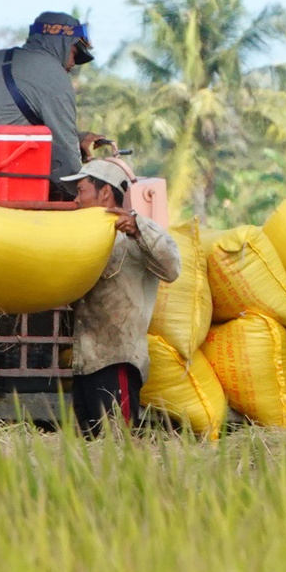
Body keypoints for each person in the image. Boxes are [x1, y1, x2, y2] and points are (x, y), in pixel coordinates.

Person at [62, 157, 181, 435]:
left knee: (118, 446)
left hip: (117, 360)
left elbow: (172, 267)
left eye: (81, 191)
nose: (77, 200)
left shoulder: (136, 233)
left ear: (104, 193)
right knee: (90, 451)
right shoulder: (84, 235)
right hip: (85, 363)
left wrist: (138, 228)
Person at [0, 11, 95, 200]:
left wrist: (79, 137)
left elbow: (6, 116)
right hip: (8, 178)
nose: (73, 64)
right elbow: (66, 147)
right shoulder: (53, 74)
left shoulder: (2, 57)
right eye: (74, 53)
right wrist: (84, 194)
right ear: (62, 44)